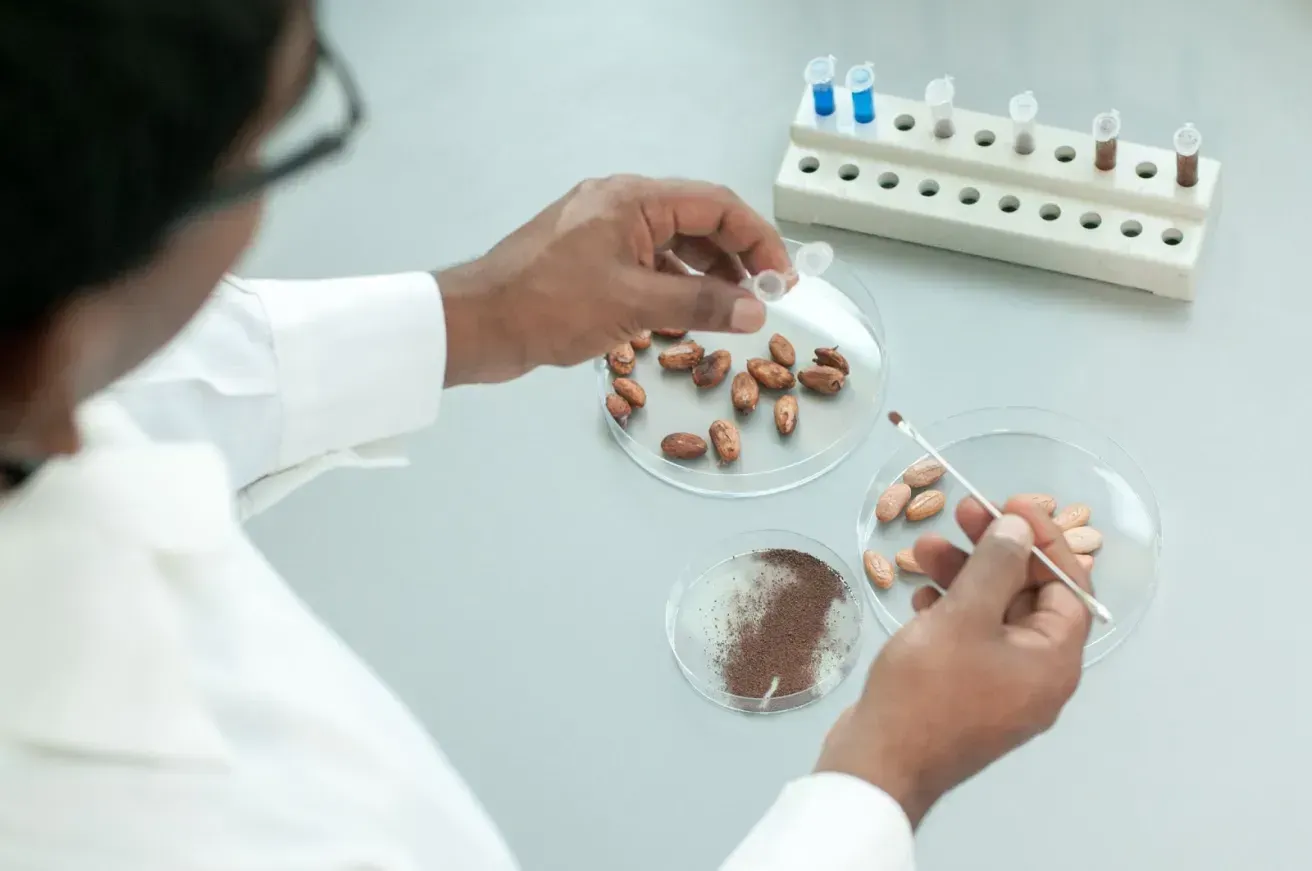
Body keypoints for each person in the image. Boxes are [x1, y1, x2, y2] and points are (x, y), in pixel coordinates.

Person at [0, 2, 1094, 868]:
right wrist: (887, 775)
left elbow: (133, 380)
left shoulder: (44, 352)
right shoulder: (192, 821)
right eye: (278, 131)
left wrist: (480, 313)